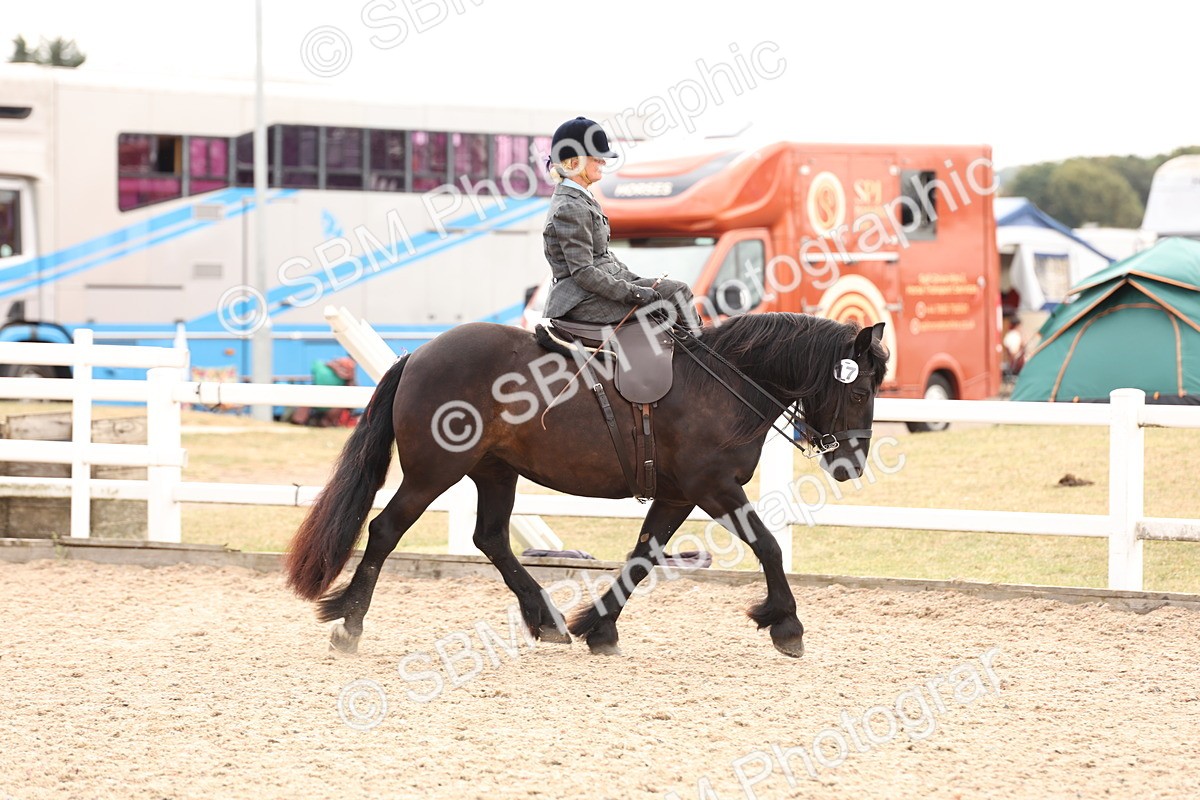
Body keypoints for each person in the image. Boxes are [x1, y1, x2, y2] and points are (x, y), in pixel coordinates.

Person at [541, 116, 701, 335]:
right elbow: (584, 272)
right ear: (574, 162)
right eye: (597, 158)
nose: (604, 162)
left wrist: (636, 281)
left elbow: (603, 258)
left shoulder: (581, 198)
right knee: (677, 292)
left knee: (672, 291)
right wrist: (634, 293)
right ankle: (702, 355)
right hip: (580, 300)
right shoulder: (570, 207)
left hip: (592, 290)